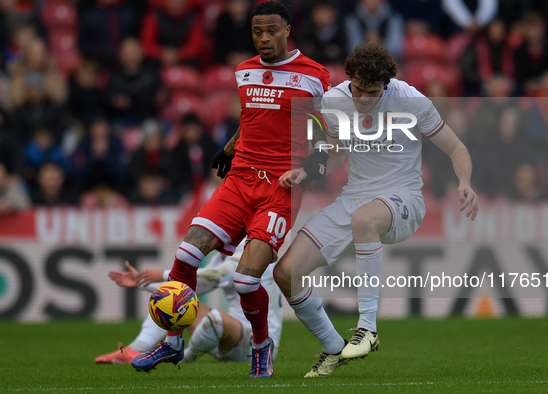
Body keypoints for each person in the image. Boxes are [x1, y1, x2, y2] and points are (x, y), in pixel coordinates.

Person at [130, 1, 330, 378]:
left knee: (244, 279)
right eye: (257, 31)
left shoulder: (314, 75)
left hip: (279, 187)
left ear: (287, 29)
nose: (264, 38)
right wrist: (228, 147)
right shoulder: (244, 71)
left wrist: (311, 166)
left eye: (272, 30)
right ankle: (173, 342)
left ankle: (260, 345)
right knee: (187, 253)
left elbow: (324, 129)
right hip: (239, 180)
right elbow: (252, 117)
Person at [275, 43, 479, 377]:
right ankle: (332, 347)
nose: (363, 99)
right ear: (350, 79)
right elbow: (336, 151)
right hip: (355, 195)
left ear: (386, 84)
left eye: (372, 92)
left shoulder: (410, 99)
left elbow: (456, 147)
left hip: (404, 198)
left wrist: (465, 182)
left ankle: (367, 328)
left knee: (364, 220)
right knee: (286, 273)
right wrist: (308, 170)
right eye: (358, 90)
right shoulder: (334, 99)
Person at [95, 241, 283, 366]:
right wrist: (141, 283)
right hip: (228, 336)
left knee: (215, 319)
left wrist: (163, 274)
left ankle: (183, 357)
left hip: (259, 343)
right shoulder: (222, 255)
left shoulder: (252, 248)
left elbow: (217, 275)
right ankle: (134, 350)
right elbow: (190, 287)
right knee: (171, 302)